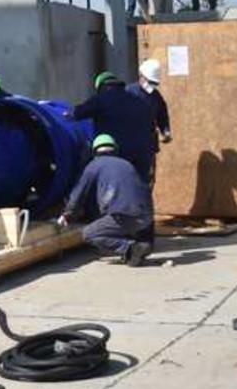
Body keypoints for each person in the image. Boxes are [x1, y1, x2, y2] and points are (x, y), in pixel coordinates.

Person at [57, 134, 154, 266]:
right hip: (148, 217)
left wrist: (67, 214)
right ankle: (136, 251)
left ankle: (130, 248)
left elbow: (79, 193)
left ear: (95, 151)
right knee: (117, 223)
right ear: (115, 149)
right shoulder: (126, 164)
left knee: (89, 233)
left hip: (126, 216)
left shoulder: (94, 165)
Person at [72, 71, 156, 186]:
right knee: (140, 187)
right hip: (142, 156)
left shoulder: (101, 99)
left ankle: (78, 196)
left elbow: (77, 113)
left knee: (85, 162)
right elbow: (152, 127)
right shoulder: (139, 101)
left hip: (115, 154)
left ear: (100, 86)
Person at [132, 58, 173, 187]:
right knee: (131, 180)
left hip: (148, 147)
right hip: (129, 147)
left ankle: (145, 206)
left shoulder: (155, 96)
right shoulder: (128, 93)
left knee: (148, 182)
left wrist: (165, 131)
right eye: (150, 82)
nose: (152, 85)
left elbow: (162, 114)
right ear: (141, 77)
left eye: (155, 83)